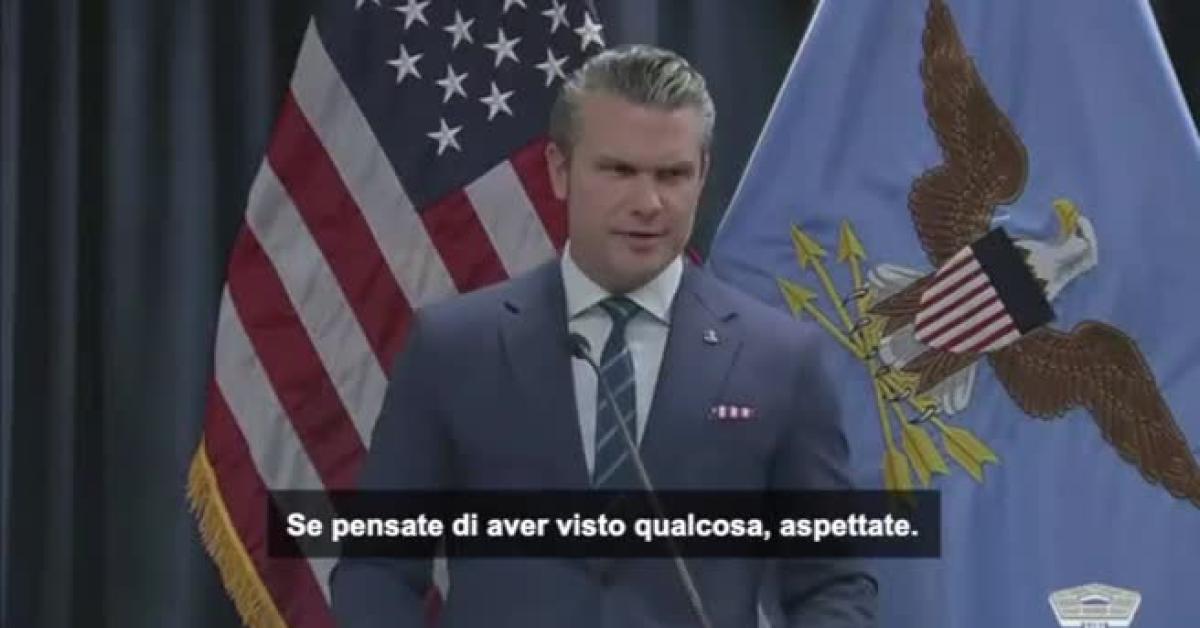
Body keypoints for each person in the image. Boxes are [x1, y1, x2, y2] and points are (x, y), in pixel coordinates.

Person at [330, 44, 877, 627]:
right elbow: (376, 567)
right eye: (618, 171)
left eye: (672, 175)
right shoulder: (453, 347)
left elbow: (833, 584)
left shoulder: (782, 360)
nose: (648, 203)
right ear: (559, 170)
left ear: (702, 175)